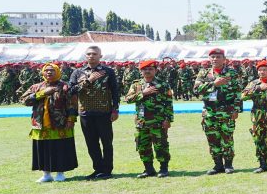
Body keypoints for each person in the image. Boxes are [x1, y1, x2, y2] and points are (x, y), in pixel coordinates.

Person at [69, 46, 120, 179]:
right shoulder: (77, 72)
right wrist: (88, 80)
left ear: (100, 56)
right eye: (89, 54)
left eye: (94, 54)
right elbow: (70, 91)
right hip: (86, 112)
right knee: (91, 143)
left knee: (107, 143)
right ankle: (98, 169)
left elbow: (115, 91)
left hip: (104, 112)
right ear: (85, 56)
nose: (91, 56)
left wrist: (115, 109)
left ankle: (107, 170)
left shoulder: (108, 71)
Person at [22, 63, 78, 182]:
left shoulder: (65, 87)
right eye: (46, 70)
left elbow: (72, 105)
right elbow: (24, 100)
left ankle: (60, 173)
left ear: (57, 72)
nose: (49, 72)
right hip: (40, 124)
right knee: (43, 148)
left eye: (52, 70)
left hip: (60, 123)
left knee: (60, 147)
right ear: (42, 72)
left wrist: (71, 119)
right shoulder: (36, 87)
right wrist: (42, 93)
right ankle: (46, 174)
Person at [193, 48, 243, 174]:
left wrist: (236, 109)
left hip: (227, 111)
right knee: (212, 139)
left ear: (224, 59)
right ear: (209, 59)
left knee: (227, 138)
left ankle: (228, 165)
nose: (215, 59)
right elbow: (196, 90)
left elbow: (237, 92)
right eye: (213, 57)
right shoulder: (203, 73)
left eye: (218, 57)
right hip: (210, 111)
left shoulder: (231, 73)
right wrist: (214, 84)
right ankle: (217, 165)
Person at [123, 59, 173, 177]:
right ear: (141, 71)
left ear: (155, 70)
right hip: (141, 121)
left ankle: (164, 169)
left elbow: (169, 103)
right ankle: (148, 169)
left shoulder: (163, 84)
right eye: (145, 69)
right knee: (142, 145)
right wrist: (143, 93)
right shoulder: (136, 85)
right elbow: (127, 99)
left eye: (150, 69)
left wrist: (168, 119)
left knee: (161, 145)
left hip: (158, 121)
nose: (147, 71)